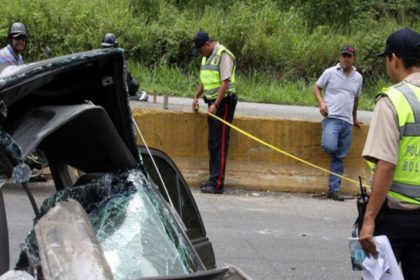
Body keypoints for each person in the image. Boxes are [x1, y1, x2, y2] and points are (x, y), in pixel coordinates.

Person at [359, 28, 420, 280]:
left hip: (395, 219)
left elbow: (386, 164)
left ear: (394, 58)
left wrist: (369, 219)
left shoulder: (393, 99)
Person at [314, 45, 363, 201]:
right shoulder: (330, 72)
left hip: (347, 122)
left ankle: (334, 189)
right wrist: (321, 104)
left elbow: (356, 99)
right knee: (330, 146)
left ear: (353, 58)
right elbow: (317, 87)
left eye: (349, 56)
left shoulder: (358, 77)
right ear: (340, 57)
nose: (346, 59)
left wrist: (354, 118)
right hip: (332, 118)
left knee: (340, 157)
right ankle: (333, 186)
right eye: (343, 55)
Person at [191, 32, 237, 194]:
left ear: (208, 44)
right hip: (212, 103)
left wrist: (216, 104)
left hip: (223, 103)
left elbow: (225, 83)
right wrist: (196, 97)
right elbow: (204, 82)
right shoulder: (206, 57)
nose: (200, 54)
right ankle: (212, 178)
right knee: (212, 143)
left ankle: (218, 183)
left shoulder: (223, 55)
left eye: (201, 50)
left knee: (220, 143)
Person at [100, 33, 147, 101]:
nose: (106, 49)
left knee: (134, 83)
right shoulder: (101, 57)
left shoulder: (119, 58)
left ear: (115, 46)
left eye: (109, 47)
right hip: (108, 81)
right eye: (105, 47)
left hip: (118, 81)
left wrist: (124, 93)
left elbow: (123, 75)